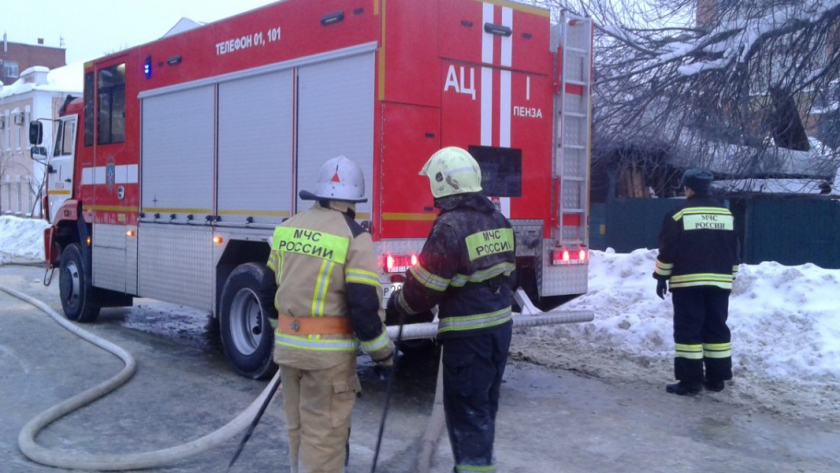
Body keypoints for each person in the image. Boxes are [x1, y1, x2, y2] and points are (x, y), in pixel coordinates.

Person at [387, 146, 516, 473]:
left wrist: (397, 303)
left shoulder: (449, 227)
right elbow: (507, 274)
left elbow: (424, 290)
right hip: (499, 331)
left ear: (443, 184)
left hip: (468, 338)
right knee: (483, 411)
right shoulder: (498, 219)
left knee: (467, 415)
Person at [268, 155, 394, 473]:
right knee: (323, 443)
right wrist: (383, 355)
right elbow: (363, 306)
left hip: (288, 353)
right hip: (328, 361)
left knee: (297, 434)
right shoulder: (354, 236)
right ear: (354, 200)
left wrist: (282, 337)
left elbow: (271, 292)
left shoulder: (287, 228)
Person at [653, 169, 740, 396]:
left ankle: (690, 382)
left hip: (687, 282)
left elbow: (668, 249)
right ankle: (716, 379)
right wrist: (730, 275)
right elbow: (733, 249)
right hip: (720, 282)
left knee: (689, 331)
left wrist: (661, 276)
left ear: (688, 189)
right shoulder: (726, 214)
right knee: (716, 328)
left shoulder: (678, 214)